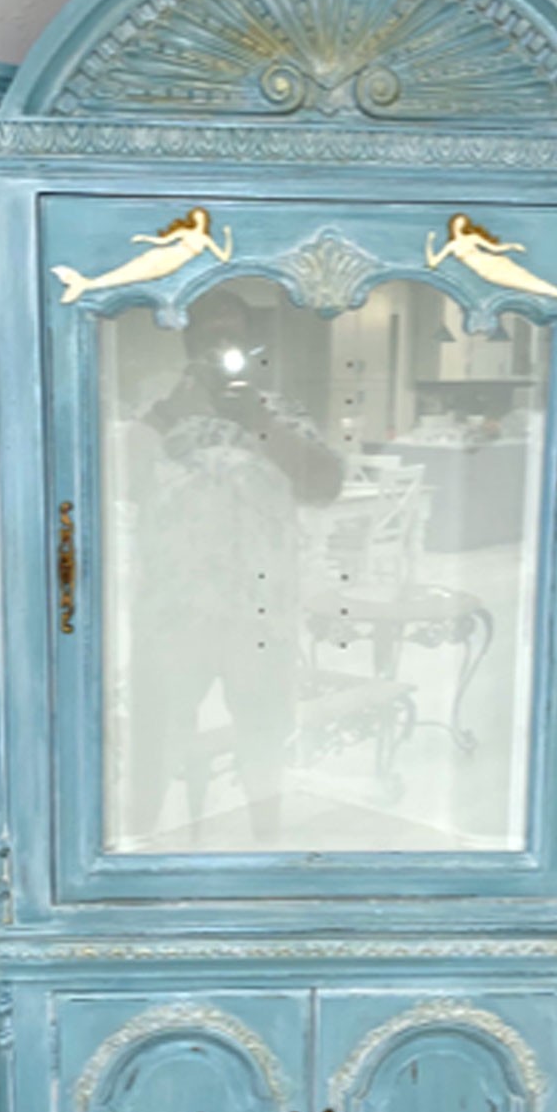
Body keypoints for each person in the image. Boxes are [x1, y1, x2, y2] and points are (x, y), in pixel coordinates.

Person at [121, 290, 342, 845]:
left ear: (251, 345)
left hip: (260, 614)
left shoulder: (280, 411)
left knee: (264, 739)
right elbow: (113, 483)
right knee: (153, 740)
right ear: (188, 342)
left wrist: (260, 421)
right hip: (171, 613)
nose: (222, 347)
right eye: (209, 335)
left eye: (233, 336)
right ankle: (131, 849)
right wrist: (169, 414)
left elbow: (325, 485)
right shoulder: (155, 413)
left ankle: (265, 847)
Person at [426, 213, 557, 314]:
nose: (459, 225)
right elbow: (433, 263)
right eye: (457, 223)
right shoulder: (451, 245)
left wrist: (512, 246)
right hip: (486, 272)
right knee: (523, 284)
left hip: (494, 263)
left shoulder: (472, 237)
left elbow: (494, 248)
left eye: (462, 223)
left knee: (526, 278)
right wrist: (430, 242)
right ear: (453, 225)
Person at [52, 207, 233, 304]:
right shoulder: (185, 232)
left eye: (202, 216)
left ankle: (86, 284)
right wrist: (144, 238)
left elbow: (224, 257)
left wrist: (228, 236)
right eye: (197, 216)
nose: (200, 219)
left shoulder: (206, 239)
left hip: (172, 265)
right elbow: (162, 241)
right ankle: (85, 283)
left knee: (133, 277)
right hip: (163, 255)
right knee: (129, 270)